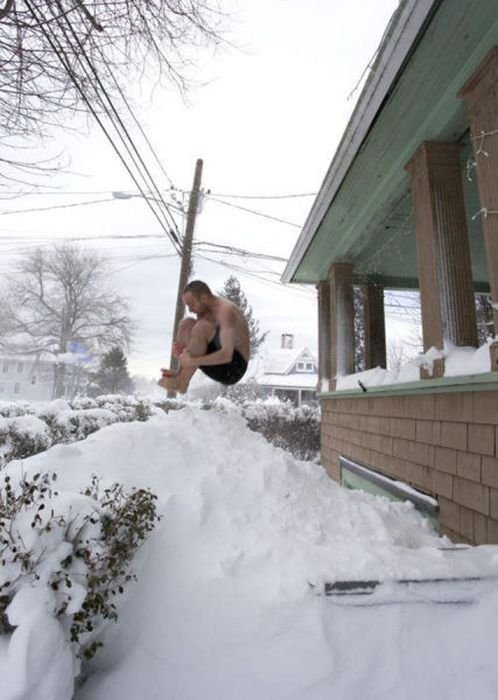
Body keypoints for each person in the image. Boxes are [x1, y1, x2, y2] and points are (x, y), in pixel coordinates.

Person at [159, 280, 250, 394]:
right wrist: (183, 353)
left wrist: (191, 361)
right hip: (218, 359)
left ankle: (182, 380)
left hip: (233, 368)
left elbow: (227, 355)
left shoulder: (225, 311)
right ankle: (181, 378)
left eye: (191, 304)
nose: (190, 310)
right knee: (186, 324)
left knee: (201, 327)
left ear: (204, 298)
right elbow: (197, 344)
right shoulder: (204, 312)